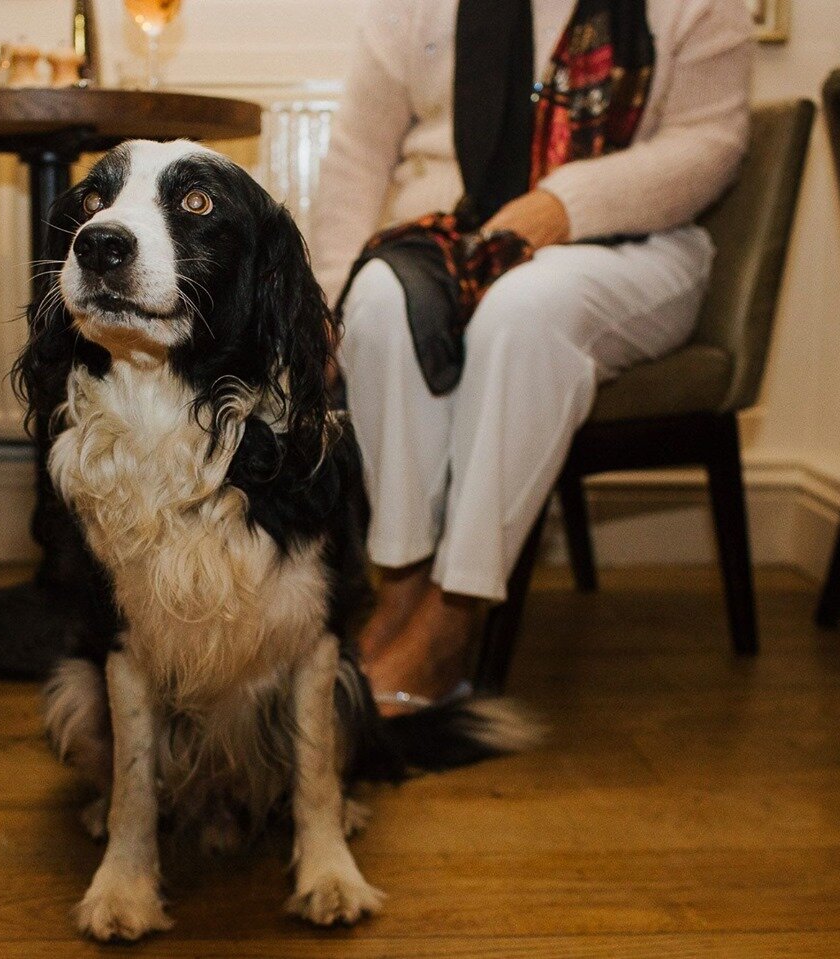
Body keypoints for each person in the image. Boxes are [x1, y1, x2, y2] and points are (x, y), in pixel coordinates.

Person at [312, 0, 754, 709]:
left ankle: (455, 615)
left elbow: (711, 143)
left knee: (520, 313)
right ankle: (399, 589)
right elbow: (358, 159)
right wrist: (329, 307)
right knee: (380, 304)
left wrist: (560, 205)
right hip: (448, 234)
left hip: (628, 243)